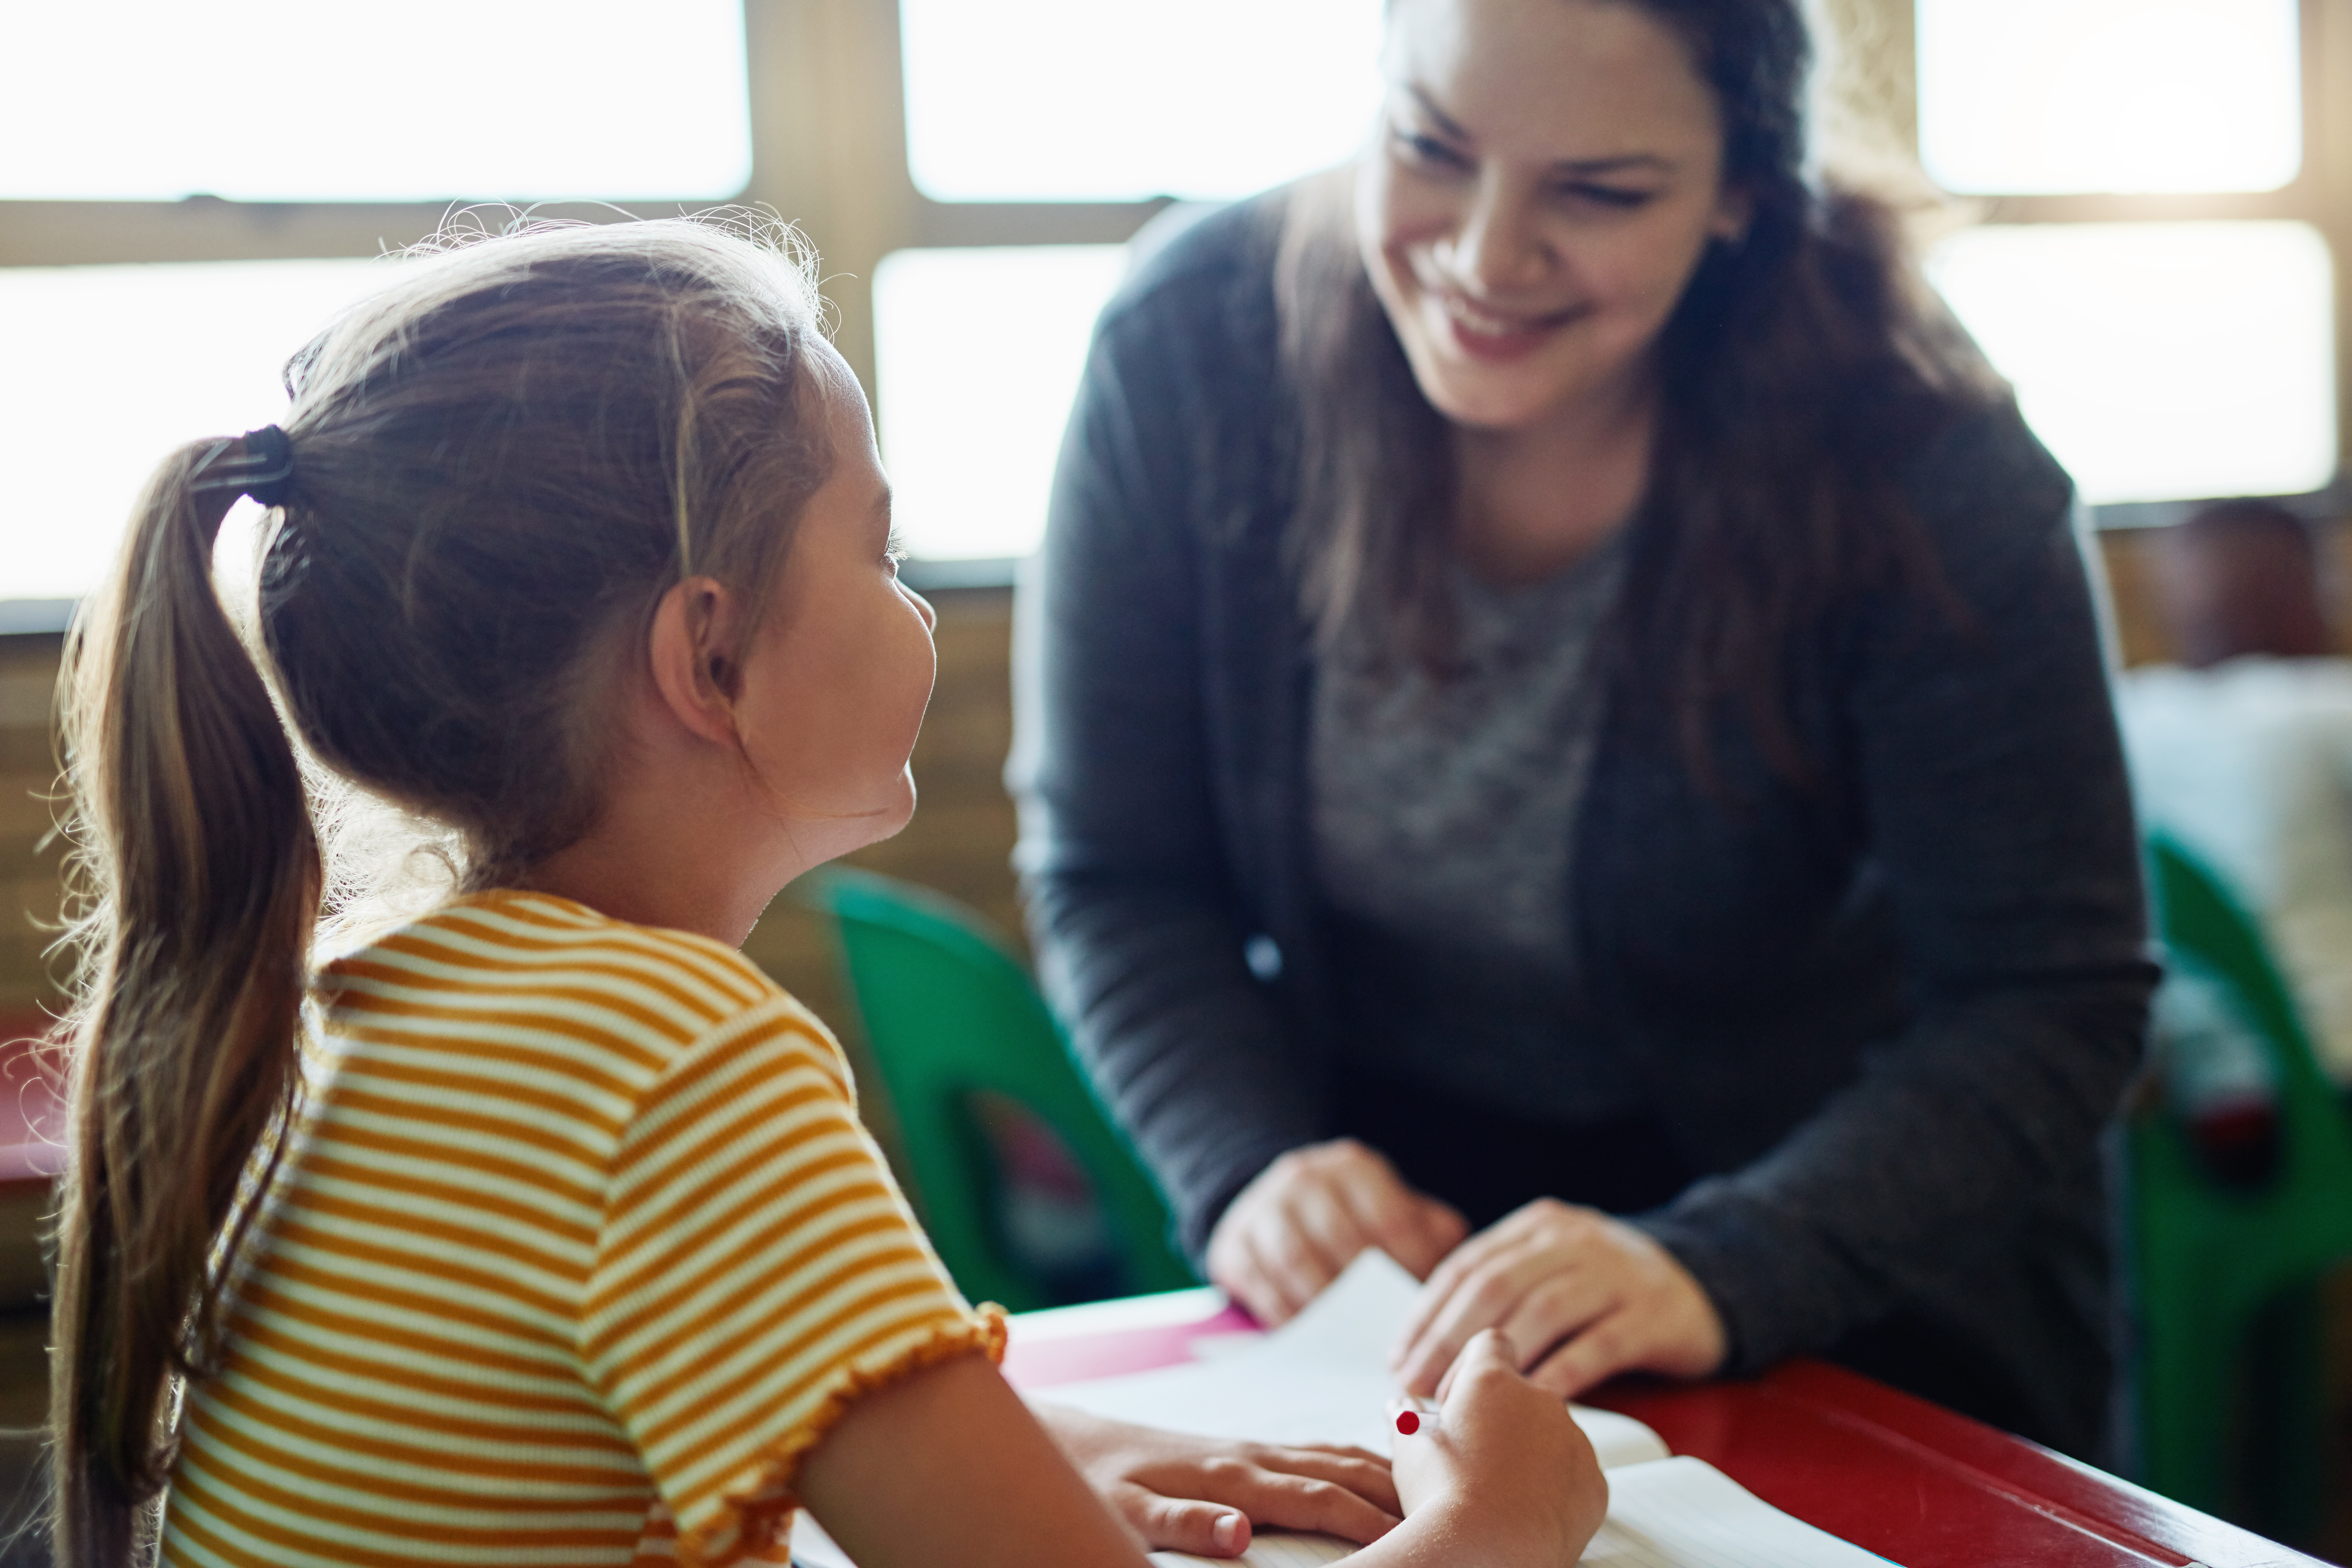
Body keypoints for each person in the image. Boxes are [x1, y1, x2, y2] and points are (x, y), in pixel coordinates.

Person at [46, 219, 1604, 1568]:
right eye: (882, 544)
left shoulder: (358, 1004)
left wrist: (1019, 1441)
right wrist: (1500, 1521)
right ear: (708, 657)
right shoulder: (676, 1064)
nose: (911, 598)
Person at [1014, 0, 2154, 1457]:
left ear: (1743, 192)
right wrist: (1250, 1164)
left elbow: (2048, 998)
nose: (1484, 256)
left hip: (1845, 1269)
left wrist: (1716, 1261)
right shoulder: (1190, 350)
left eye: (1598, 192)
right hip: (1407, 1286)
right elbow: (1117, 869)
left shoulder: (1916, 449)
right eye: (1429, 147)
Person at [2117, 500, 2352, 1090]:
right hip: (2329, 1068)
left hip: (2186, 1094)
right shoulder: (2329, 706)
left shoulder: (2125, 718)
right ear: (2310, 590)